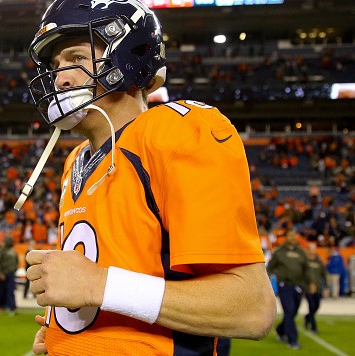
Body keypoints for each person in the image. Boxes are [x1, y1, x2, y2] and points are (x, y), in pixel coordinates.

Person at [17, 1, 277, 354]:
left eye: (76, 59)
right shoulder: (76, 160)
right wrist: (73, 332)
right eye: (55, 65)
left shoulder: (176, 131)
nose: (60, 77)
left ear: (127, 56)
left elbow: (251, 308)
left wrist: (98, 285)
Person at [267, 230, 309, 350]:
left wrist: (307, 284)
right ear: (286, 237)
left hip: (299, 286)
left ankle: (280, 330)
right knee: (289, 311)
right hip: (284, 285)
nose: (292, 238)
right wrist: (269, 280)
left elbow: (306, 269)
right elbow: (270, 267)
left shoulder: (301, 252)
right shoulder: (279, 252)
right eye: (290, 236)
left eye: (294, 236)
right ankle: (293, 340)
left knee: (293, 312)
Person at [0, 235, 19, 315]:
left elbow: (16, 262)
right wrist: (0, 273)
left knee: (10, 290)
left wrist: (15, 270)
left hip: (11, 274)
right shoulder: (0, 251)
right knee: (1, 291)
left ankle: (12, 307)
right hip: (2, 274)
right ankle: (1, 306)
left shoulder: (13, 252)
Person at [304, 243, 326, 334]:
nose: (313, 251)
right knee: (311, 306)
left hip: (318, 288)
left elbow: (324, 274)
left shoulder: (319, 261)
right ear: (308, 250)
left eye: (314, 249)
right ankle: (314, 327)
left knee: (317, 306)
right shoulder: (304, 261)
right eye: (311, 249)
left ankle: (307, 317)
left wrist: (326, 287)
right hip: (307, 288)